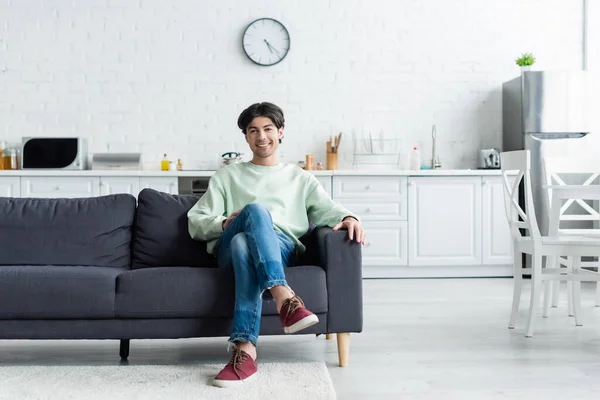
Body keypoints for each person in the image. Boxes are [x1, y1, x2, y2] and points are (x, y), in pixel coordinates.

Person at [187, 102, 365, 388]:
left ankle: (245, 350)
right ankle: (284, 297)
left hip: (279, 248)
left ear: (281, 132)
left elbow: (327, 209)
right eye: (253, 130)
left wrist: (348, 217)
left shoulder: (300, 178)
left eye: (268, 129)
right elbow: (196, 221)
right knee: (252, 216)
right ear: (245, 137)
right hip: (227, 250)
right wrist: (223, 223)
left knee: (247, 242)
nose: (262, 136)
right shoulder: (227, 176)